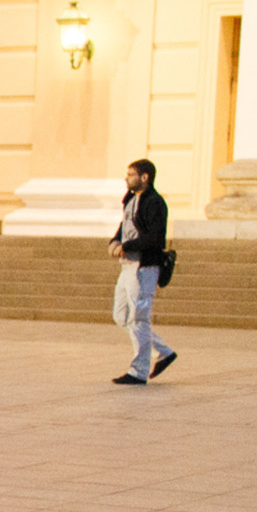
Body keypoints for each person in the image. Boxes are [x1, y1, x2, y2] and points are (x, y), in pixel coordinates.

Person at [107, 158, 177, 385]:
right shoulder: (130, 199)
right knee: (122, 316)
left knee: (139, 319)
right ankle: (164, 351)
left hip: (143, 268)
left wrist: (126, 247)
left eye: (131, 175)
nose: (126, 179)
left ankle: (138, 371)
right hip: (127, 266)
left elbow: (154, 238)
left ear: (144, 177)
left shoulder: (154, 203)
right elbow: (124, 226)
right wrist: (115, 241)